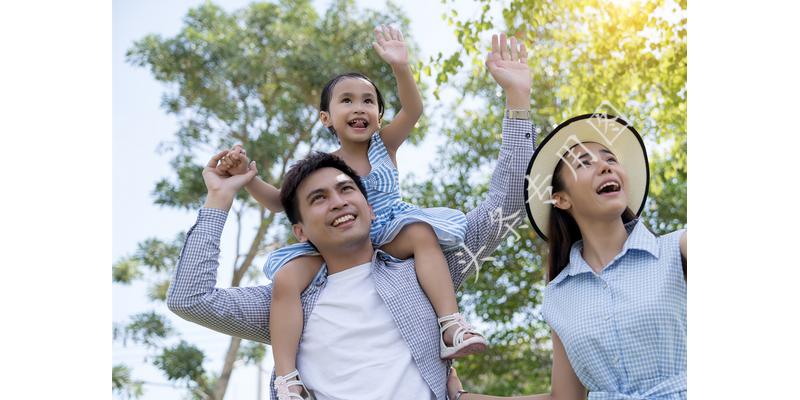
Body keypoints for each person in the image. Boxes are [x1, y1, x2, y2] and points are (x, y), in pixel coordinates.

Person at [167, 32, 536, 400]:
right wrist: (222, 195)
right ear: (300, 229)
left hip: (398, 239)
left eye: (347, 189)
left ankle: (451, 324)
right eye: (318, 198)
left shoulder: (422, 272)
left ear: (368, 205)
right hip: (309, 273)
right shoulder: (293, 299)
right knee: (285, 277)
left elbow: (507, 206)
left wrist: (517, 98)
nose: (339, 202)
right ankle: (287, 379)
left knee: (421, 232)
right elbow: (189, 299)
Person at [447, 114, 687, 400]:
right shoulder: (558, 296)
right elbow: (565, 398)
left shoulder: (678, 249)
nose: (604, 166)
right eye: (584, 163)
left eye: (610, 160)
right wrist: (462, 398)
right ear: (561, 199)